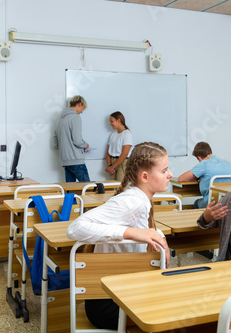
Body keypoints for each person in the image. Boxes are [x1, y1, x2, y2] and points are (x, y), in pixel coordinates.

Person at [67, 141, 171, 330]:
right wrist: (133, 233)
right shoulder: (132, 202)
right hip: (108, 304)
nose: (170, 175)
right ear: (145, 176)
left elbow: (142, 225)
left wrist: (159, 235)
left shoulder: (139, 198)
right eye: (164, 171)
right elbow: (75, 228)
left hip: (119, 294)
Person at [178, 142, 231, 208]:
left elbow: (181, 179)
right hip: (228, 202)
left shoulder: (204, 164)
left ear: (199, 158)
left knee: (196, 203)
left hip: (211, 203)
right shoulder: (227, 163)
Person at [53, 95, 90, 182]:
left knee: (70, 191)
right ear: (79, 104)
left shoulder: (60, 120)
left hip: (65, 161)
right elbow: (77, 141)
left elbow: (55, 144)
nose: (82, 112)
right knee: (88, 188)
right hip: (76, 160)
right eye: (82, 108)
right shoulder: (75, 118)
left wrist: (67, 147)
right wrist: (85, 145)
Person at [105, 111, 133, 182]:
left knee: (120, 188)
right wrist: (109, 166)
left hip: (122, 164)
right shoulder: (113, 135)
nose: (110, 124)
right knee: (112, 187)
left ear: (119, 120)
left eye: (112, 121)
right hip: (112, 163)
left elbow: (124, 154)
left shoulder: (127, 134)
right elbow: (108, 152)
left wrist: (112, 167)